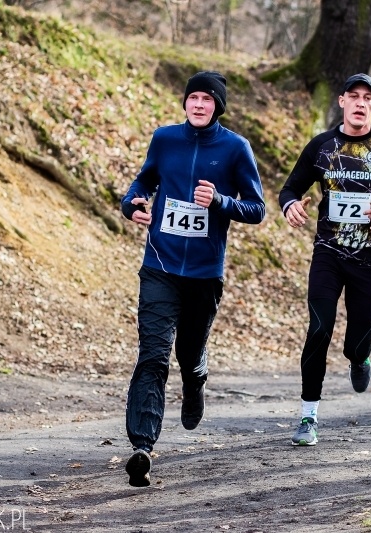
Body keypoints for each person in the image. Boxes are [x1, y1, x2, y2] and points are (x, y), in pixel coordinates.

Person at [120, 71, 265, 486]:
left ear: (218, 105)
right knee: (153, 355)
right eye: (193, 98)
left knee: (188, 353)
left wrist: (220, 201)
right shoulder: (165, 139)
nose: (199, 105)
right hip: (160, 266)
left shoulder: (236, 148)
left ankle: (196, 378)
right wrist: (132, 204)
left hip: (204, 274)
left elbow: (257, 209)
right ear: (185, 103)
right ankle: (142, 447)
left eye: (207, 99)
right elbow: (142, 181)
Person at [279, 73, 371, 446]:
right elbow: (290, 188)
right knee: (318, 328)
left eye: (368, 98)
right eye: (354, 96)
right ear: (342, 102)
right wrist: (290, 205)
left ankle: (359, 358)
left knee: (359, 338)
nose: (360, 103)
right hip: (328, 254)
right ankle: (308, 418)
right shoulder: (321, 146)